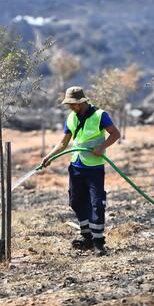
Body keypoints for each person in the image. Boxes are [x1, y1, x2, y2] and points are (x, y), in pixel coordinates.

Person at [41, 86, 120, 256]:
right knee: (75, 202)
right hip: (76, 166)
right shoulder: (71, 118)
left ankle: (98, 242)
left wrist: (102, 146)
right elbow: (63, 142)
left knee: (97, 204)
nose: (69, 107)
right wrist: (49, 156)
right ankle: (87, 237)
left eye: (71, 103)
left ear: (80, 102)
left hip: (94, 168)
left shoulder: (100, 116)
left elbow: (115, 134)